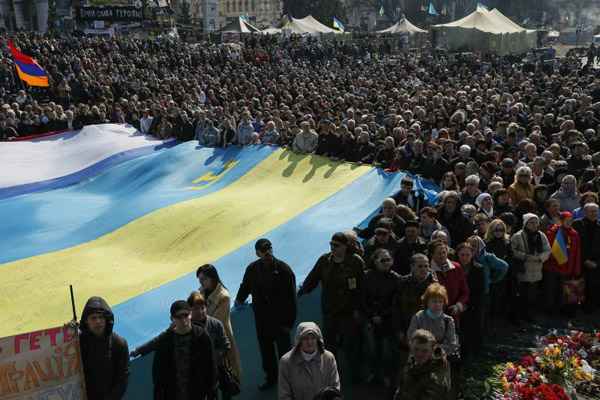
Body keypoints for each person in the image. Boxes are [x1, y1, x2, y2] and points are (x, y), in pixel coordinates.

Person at [298, 232, 366, 382]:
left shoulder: (355, 262)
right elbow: (312, 279)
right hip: (330, 311)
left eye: (337, 245)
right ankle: (331, 375)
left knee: (351, 345)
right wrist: (300, 292)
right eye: (331, 245)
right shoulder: (324, 261)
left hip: (349, 311)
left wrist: (359, 310)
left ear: (345, 246)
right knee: (329, 346)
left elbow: (362, 288)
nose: (333, 248)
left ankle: (356, 375)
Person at [235, 239, 297, 391]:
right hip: (262, 321)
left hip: (281, 322)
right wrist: (238, 300)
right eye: (263, 250)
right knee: (266, 353)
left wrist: (289, 323)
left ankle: (290, 382)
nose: (267, 252)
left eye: (269, 248)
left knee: (286, 354)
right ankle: (271, 378)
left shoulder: (283, 269)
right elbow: (245, 287)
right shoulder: (252, 269)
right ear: (257, 253)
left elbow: (292, 299)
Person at [151, 300, 216, 400]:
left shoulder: (201, 336)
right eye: (179, 317)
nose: (183, 320)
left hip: (198, 394)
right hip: (173, 395)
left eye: (186, 315)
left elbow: (210, 367)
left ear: (190, 314)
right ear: (172, 318)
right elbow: (158, 374)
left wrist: (211, 394)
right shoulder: (165, 341)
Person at [79, 296, 129, 400]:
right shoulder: (76, 343)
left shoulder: (119, 344)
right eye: (93, 318)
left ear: (107, 319)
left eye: (101, 317)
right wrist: (66, 335)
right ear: (86, 321)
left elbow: (122, 380)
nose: (98, 321)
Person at [197, 265, 242, 381]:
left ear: (212, 278)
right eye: (200, 280)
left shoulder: (223, 297)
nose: (201, 283)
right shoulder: (202, 291)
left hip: (221, 339)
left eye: (203, 279)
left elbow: (216, 322)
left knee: (227, 373)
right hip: (207, 338)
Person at [363, 248, 401, 386]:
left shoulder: (396, 278)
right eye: (383, 260)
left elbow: (397, 302)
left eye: (388, 260)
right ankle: (375, 374)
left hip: (390, 320)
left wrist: (383, 315)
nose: (386, 263)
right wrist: (372, 315)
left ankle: (390, 377)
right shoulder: (366, 277)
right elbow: (362, 299)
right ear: (375, 261)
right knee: (374, 350)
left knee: (391, 351)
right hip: (371, 320)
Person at [278, 322, 340, 400]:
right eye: (305, 338)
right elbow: (284, 395)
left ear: (318, 339)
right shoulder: (286, 362)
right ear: (299, 340)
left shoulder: (329, 358)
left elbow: (335, 390)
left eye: (313, 338)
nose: (309, 342)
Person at [510, 213, 551, 322]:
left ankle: (530, 315)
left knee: (532, 296)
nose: (534, 225)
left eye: (536, 223)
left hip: (537, 269)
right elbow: (513, 251)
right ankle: (521, 316)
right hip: (524, 269)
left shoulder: (541, 235)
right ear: (526, 223)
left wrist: (540, 258)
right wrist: (526, 256)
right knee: (522, 295)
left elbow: (547, 250)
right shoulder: (518, 236)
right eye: (531, 223)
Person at [393, 329, 451, 400]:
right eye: (416, 349)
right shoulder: (410, 365)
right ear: (411, 347)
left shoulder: (436, 376)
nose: (419, 354)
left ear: (432, 351)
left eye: (425, 351)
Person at [543, 212, 582, 315]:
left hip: (567, 267)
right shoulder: (553, 232)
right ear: (561, 221)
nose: (569, 223)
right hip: (552, 266)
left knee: (563, 290)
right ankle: (549, 310)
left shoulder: (574, 234)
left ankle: (561, 309)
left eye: (571, 221)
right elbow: (549, 248)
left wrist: (576, 269)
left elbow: (577, 253)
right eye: (566, 221)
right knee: (550, 289)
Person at [428, 240, 469, 324]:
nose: (442, 255)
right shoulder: (427, 270)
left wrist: (458, 305)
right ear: (432, 254)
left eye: (444, 252)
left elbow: (465, 291)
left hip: (453, 316)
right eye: (439, 253)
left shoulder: (456, 267)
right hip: (432, 317)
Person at [573, 203, 600, 313]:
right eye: (591, 211)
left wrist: (597, 263)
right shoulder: (577, 225)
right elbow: (574, 245)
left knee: (595, 286)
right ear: (585, 212)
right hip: (580, 260)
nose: (594, 213)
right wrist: (585, 260)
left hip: (596, 262)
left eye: (595, 211)